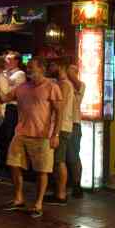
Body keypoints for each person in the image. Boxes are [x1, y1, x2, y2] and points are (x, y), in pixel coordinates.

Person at [0, 57, 62, 218]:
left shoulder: (51, 87)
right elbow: (4, 99)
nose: (28, 69)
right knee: (13, 164)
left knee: (42, 170)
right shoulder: (22, 87)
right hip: (21, 132)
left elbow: (59, 113)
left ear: (41, 68)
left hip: (43, 135)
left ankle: (38, 203)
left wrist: (56, 134)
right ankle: (18, 198)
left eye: (32, 67)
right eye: (28, 67)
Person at [44, 60, 74, 206]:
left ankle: (61, 195)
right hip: (60, 127)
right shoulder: (61, 83)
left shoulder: (64, 84)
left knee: (59, 161)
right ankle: (58, 192)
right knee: (57, 161)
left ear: (61, 67)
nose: (49, 68)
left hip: (61, 127)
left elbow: (59, 108)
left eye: (52, 65)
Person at [0, 51, 26, 174]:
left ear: (16, 61)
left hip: (12, 107)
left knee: (8, 135)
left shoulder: (19, 74)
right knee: (3, 135)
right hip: (4, 106)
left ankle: (9, 165)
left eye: (8, 59)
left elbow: (7, 83)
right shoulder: (6, 73)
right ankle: (3, 162)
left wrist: (0, 72)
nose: (6, 61)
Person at [66, 62, 85, 198]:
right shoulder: (62, 84)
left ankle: (77, 185)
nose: (68, 73)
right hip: (64, 124)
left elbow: (78, 84)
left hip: (74, 124)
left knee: (73, 157)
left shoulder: (80, 84)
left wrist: (70, 74)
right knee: (63, 158)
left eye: (72, 71)